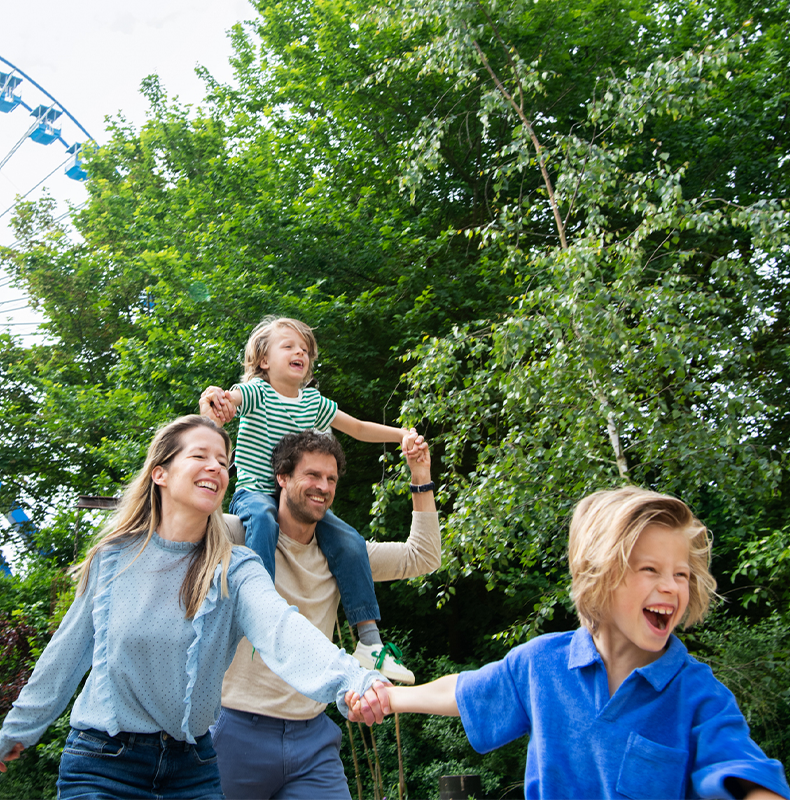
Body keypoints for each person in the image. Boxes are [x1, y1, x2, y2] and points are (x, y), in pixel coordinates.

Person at [0, 415, 396, 800]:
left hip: (193, 767)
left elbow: (283, 630)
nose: (216, 467)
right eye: (200, 456)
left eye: (223, 461)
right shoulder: (113, 559)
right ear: (159, 473)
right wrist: (19, 728)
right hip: (102, 764)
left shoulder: (234, 569)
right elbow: (66, 652)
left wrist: (352, 679)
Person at [384, 487, 790, 800]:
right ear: (599, 575)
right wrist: (390, 699)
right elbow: (465, 690)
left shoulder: (698, 695)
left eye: (681, 574)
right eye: (650, 569)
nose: (670, 586)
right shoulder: (543, 662)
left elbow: (747, 774)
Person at [212, 428, 441, 800]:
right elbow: (177, 522)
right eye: (313, 475)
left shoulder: (345, 557)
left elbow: (423, 557)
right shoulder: (236, 535)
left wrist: (420, 474)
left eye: (331, 478)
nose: (323, 486)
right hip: (235, 730)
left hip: (312, 740)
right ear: (282, 478)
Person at [200, 315, 412, 678]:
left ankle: (369, 640)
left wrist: (402, 435)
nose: (300, 352)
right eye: (289, 346)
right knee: (264, 521)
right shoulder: (257, 392)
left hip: (297, 499)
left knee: (350, 541)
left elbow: (358, 429)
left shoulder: (313, 401)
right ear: (264, 361)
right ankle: (260, 612)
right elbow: (227, 401)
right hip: (257, 492)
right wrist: (216, 401)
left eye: (305, 349)